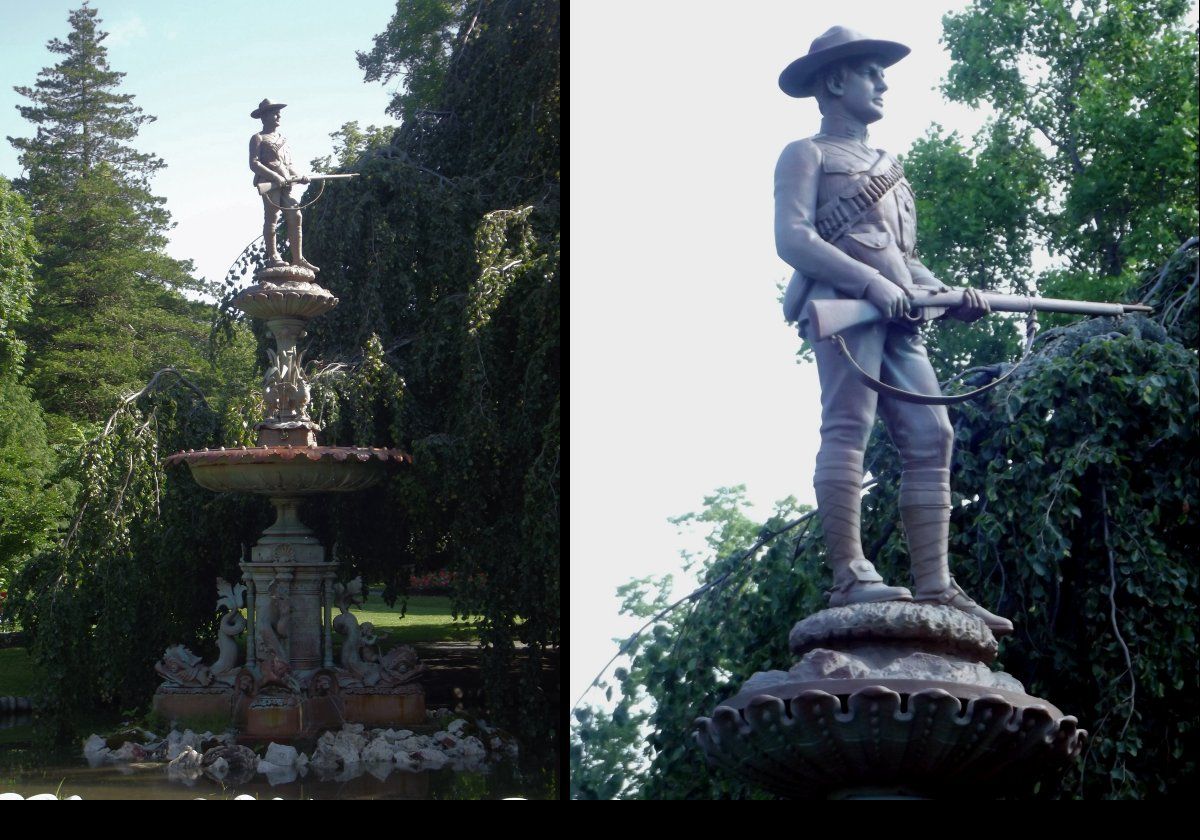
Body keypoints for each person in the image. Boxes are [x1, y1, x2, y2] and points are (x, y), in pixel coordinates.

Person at [775, 26, 1012, 634]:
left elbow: (900, 255)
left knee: (934, 433)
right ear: (835, 81)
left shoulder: (890, 167)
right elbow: (794, 238)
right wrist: (870, 283)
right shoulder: (808, 154)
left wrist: (951, 294)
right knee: (848, 426)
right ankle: (849, 571)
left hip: (900, 313)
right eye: (870, 72)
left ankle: (937, 584)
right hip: (846, 304)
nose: (882, 82)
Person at [249, 98, 318, 272]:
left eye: (279, 112)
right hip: (269, 182)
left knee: (296, 216)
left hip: (287, 183)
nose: (278, 116)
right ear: (264, 117)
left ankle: (298, 258)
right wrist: (274, 176)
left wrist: (300, 176)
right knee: (272, 218)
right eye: (274, 113)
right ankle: (273, 256)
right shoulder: (258, 138)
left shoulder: (283, 139)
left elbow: (288, 164)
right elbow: (254, 163)